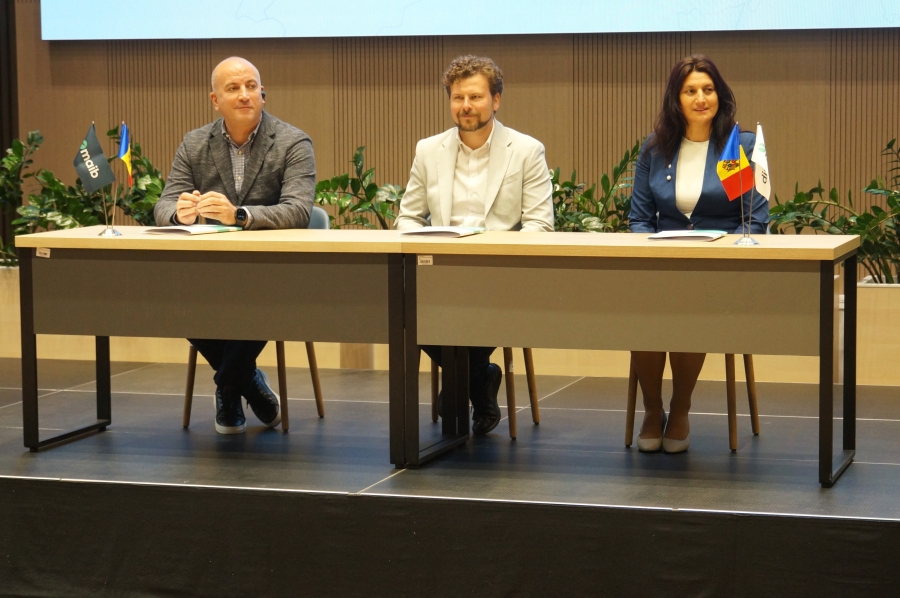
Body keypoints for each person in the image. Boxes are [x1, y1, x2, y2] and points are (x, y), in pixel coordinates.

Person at [154, 56, 316, 434]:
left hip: (273, 270)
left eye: (251, 87)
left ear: (262, 93)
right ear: (215, 100)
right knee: (172, 292)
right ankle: (247, 380)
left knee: (261, 295)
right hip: (212, 269)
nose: (244, 95)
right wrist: (180, 214)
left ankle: (229, 386)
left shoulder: (293, 141)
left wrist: (238, 215)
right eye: (233, 88)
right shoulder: (195, 143)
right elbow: (164, 205)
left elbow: (298, 210)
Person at [396, 55, 554, 435]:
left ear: (496, 100)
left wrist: (504, 257)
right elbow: (408, 217)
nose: (466, 106)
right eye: (458, 97)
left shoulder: (526, 150)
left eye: (475, 97)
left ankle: (458, 383)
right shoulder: (428, 150)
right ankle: (478, 379)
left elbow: (539, 224)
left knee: (474, 301)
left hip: (498, 273)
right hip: (439, 270)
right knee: (407, 306)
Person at [628, 54, 769, 453]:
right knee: (639, 311)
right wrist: (653, 257)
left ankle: (680, 408)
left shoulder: (738, 146)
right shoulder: (656, 148)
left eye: (708, 89)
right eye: (690, 91)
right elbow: (639, 219)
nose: (701, 98)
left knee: (689, 305)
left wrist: (725, 256)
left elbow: (753, 219)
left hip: (719, 267)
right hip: (662, 264)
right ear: (677, 98)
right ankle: (652, 410)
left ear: (720, 95)